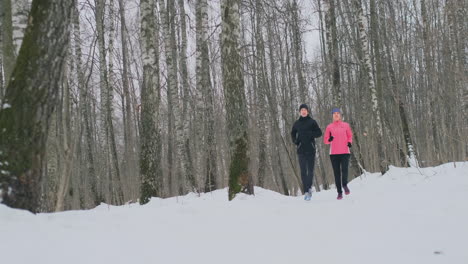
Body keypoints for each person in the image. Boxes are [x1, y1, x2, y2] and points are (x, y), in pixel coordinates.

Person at [291, 104, 322, 201]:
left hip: (311, 150)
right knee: (303, 171)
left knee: (310, 171)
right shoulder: (297, 123)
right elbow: (292, 133)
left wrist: (311, 134)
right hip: (301, 150)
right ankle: (306, 191)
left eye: (305, 110)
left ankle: (309, 189)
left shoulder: (312, 122)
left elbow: (319, 133)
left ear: (307, 111)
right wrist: (295, 141)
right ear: (300, 112)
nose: (303, 111)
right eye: (302, 110)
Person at [323, 108, 353, 200]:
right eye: (334, 113)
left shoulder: (346, 125)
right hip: (334, 153)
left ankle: (344, 185)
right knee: (337, 174)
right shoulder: (329, 127)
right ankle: (339, 192)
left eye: (338, 113)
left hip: (345, 152)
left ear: (340, 115)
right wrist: (329, 140)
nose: (336, 115)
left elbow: (350, 136)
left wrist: (349, 142)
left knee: (344, 170)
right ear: (332, 116)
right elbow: (325, 140)